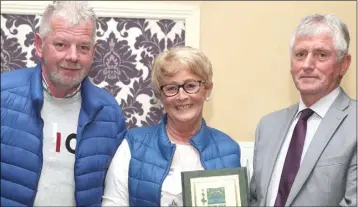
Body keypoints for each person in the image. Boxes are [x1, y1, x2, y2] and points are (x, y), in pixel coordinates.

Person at [1, 1, 126, 206]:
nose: (73, 56)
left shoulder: (109, 114)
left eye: (83, 47)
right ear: (40, 45)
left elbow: (117, 192)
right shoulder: (4, 96)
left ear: (93, 52)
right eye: (61, 44)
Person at [102, 46, 242, 206]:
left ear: (207, 90)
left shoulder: (229, 150)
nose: (182, 96)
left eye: (190, 85)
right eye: (171, 88)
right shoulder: (134, 144)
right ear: (160, 96)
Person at [250, 14, 356, 206]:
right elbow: (256, 199)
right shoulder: (268, 126)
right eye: (300, 54)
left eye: (321, 54)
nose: (307, 65)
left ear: (344, 64)